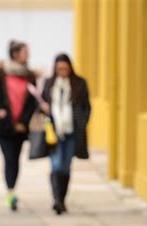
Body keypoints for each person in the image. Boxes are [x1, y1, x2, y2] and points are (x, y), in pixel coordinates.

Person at [0, 40, 38, 211]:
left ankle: (12, 189)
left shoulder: (29, 76)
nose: (27, 55)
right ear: (15, 54)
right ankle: (11, 192)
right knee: (9, 158)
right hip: (3, 127)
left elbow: (33, 102)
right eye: (25, 51)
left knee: (15, 159)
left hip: (20, 128)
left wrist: (24, 122)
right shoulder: (1, 74)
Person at [41, 53, 91, 215]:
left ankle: (62, 199)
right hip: (53, 132)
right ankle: (56, 199)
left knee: (66, 166)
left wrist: (82, 122)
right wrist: (44, 109)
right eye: (59, 69)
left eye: (65, 68)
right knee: (55, 165)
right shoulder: (49, 84)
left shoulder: (79, 83)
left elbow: (87, 107)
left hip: (71, 131)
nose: (62, 71)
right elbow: (41, 103)